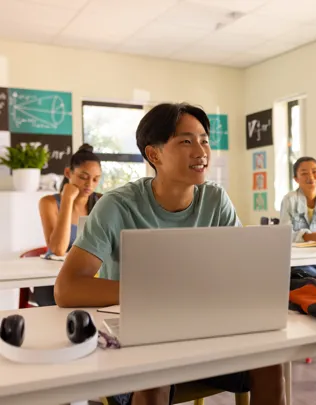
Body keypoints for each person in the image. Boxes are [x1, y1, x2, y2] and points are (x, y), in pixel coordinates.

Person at [54, 103, 284, 405]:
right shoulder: (116, 205)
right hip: (140, 342)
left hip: (203, 332)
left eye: (204, 140)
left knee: (270, 362)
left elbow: (239, 269)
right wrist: (154, 292)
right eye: (186, 141)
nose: (200, 151)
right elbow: (67, 288)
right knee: (154, 380)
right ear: (154, 154)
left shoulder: (215, 199)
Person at [37, 144, 101, 306]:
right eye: (83, 177)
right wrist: (67, 200)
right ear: (68, 173)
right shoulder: (49, 203)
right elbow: (58, 249)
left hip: (90, 277)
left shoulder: (101, 202)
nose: (90, 185)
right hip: (55, 280)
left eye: (95, 179)